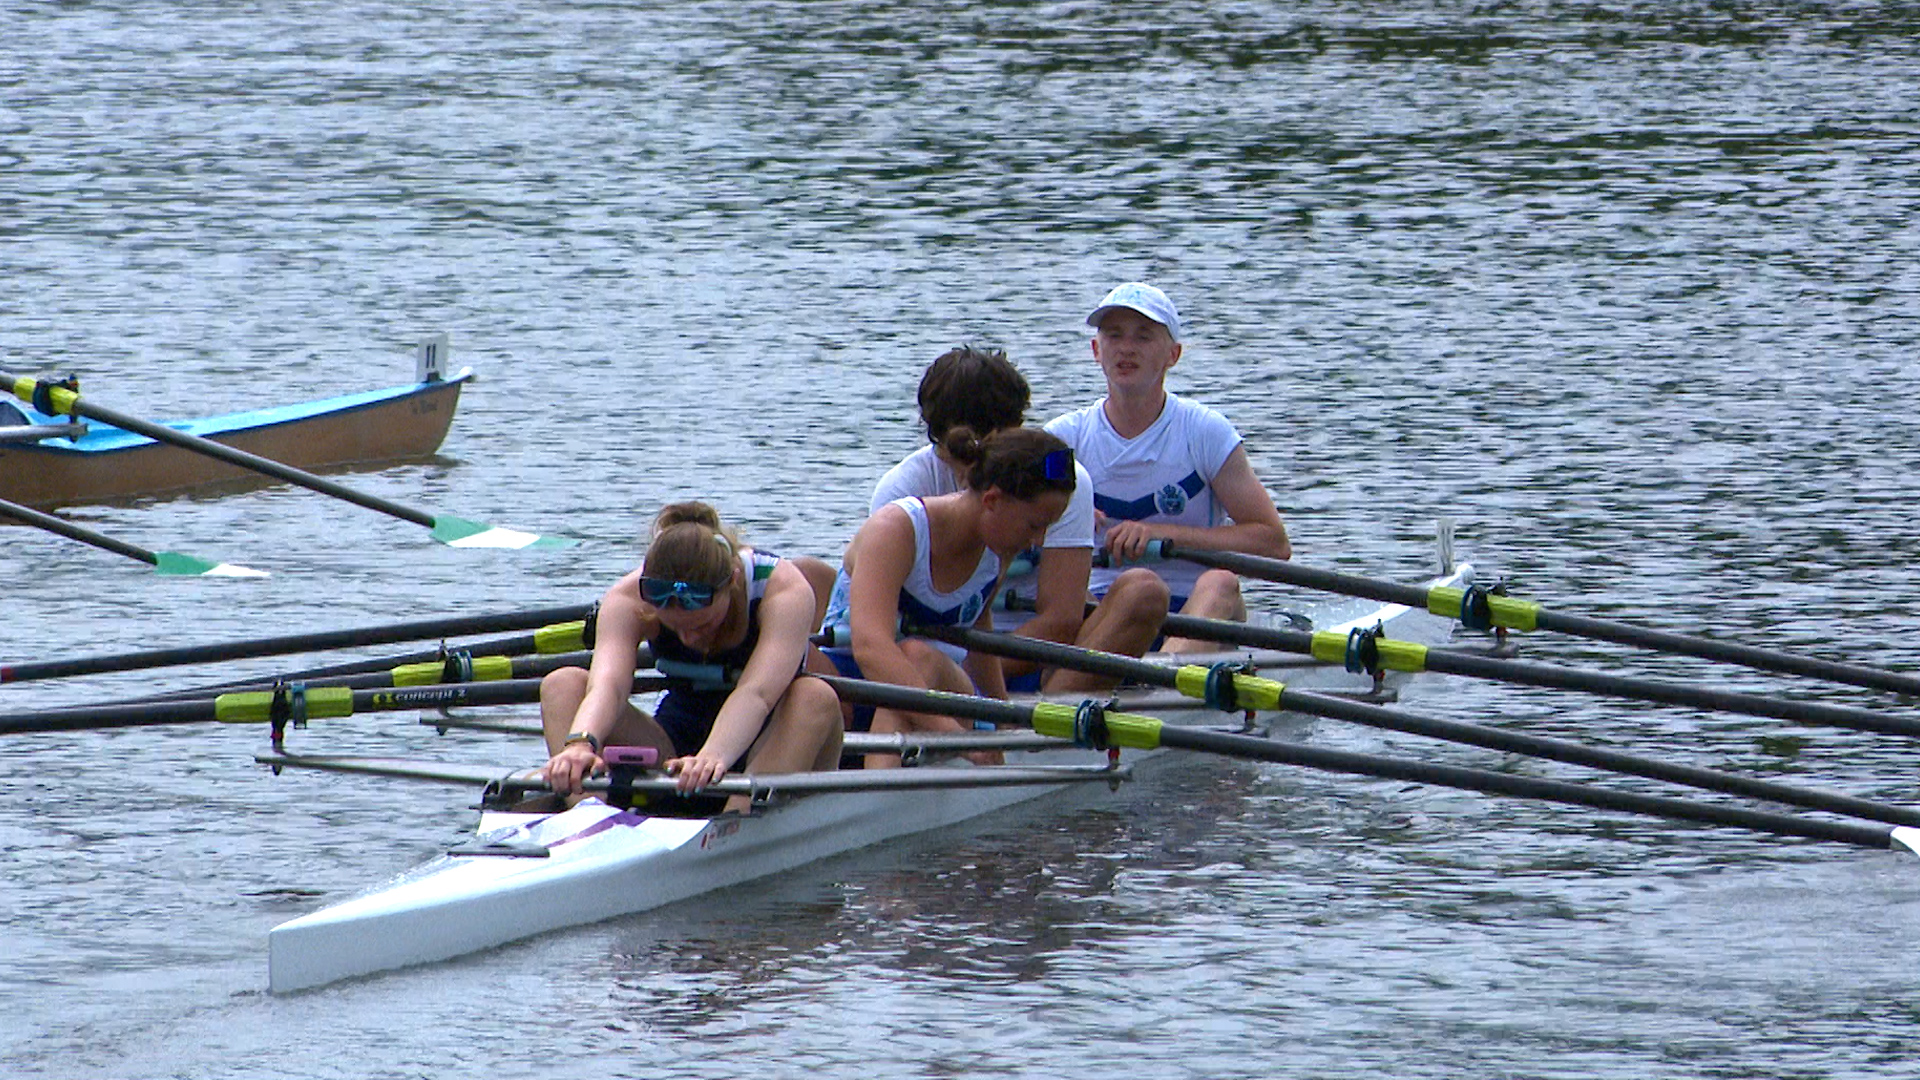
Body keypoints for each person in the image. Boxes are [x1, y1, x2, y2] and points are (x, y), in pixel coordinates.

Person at [867, 346, 1167, 693]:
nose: (972, 465)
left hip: (1038, 659)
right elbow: (888, 628)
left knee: (1143, 592)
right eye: (960, 451)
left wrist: (976, 676)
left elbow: (1059, 621)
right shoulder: (901, 490)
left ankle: (1048, 714)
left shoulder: (1060, 481)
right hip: (936, 660)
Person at [540, 502, 843, 813]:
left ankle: (737, 821)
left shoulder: (782, 588)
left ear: (732, 581)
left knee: (813, 695)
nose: (688, 639)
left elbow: (757, 694)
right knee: (562, 684)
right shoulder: (628, 597)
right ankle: (589, 816)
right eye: (674, 628)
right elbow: (609, 687)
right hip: (675, 745)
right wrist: (580, 743)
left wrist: (712, 756)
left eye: (702, 625)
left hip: (772, 740)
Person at [1044, 282, 1291, 650]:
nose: (1126, 348)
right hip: (1102, 607)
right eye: (1114, 335)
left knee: (1221, 582)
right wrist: (1064, 515)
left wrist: (1162, 534)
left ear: (1173, 355)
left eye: (1143, 336)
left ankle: (1163, 673)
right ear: (1096, 350)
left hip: (1194, 605)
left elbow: (1274, 542)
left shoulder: (1206, 432)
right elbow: (1012, 528)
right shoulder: (1062, 441)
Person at [821, 426, 1076, 765]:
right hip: (853, 685)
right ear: (992, 500)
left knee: (917, 657)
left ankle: (878, 782)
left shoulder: (998, 551)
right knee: (902, 659)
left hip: (934, 688)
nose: (1038, 541)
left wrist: (1003, 721)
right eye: (1034, 526)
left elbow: (980, 636)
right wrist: (956, 734)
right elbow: (871, 648)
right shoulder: (896, 530)